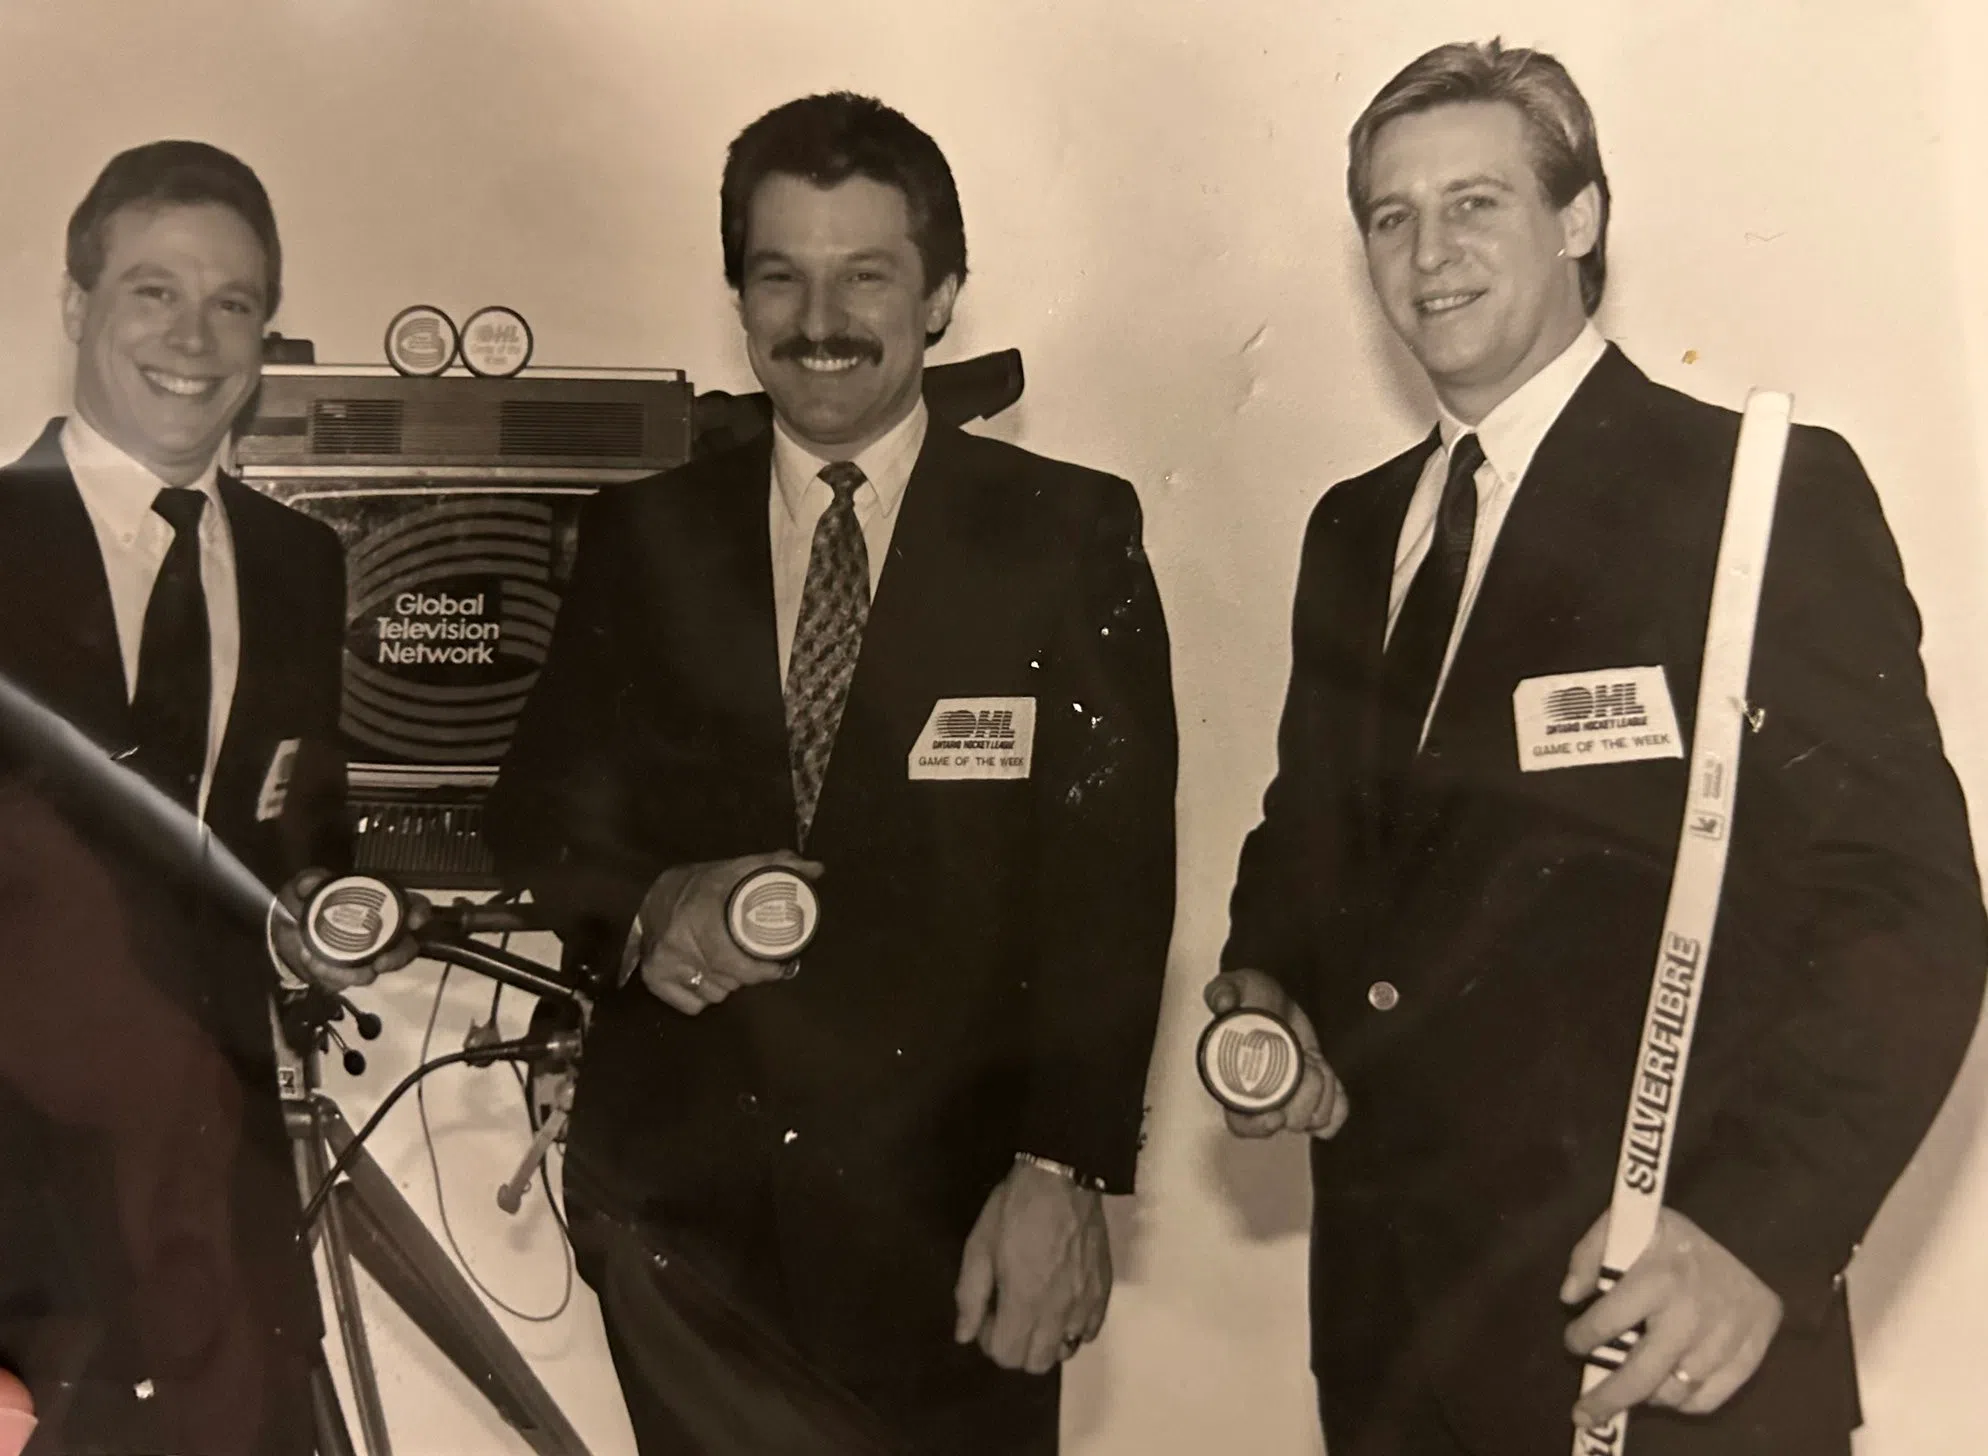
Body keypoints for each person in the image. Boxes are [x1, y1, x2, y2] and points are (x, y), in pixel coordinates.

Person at [1208, 39, 1986, 1456]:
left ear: (1581, 218)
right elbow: (1313, 836)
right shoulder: (1353, 531)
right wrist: (1271, 985)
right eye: (1391, 216)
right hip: (1394, 1344)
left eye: (1475, 203)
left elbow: (1908, 907)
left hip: (1661, 1335)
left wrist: (1759, 1237)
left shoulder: (1755, 494)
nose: (1428, 253)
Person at [488, 92, 1177, 1454]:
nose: (819, 321)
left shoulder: (1064, 534)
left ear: (943, 296)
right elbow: (537, 816)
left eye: (865, 275)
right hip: (686, 1239)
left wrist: (1062, 1169)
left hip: (958, 1231)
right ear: (738, 297)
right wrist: (653, 903)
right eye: (779, 277)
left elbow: (1113, 883)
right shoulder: (641, 535)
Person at [0, 140, 359, 1455]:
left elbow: (299, 825)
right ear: (75, 304)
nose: (194, 340)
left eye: (233, 303)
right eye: (153, 291)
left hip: (219, 1196)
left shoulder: (302, 563)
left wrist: (328, 903)